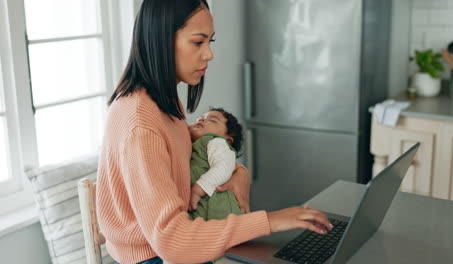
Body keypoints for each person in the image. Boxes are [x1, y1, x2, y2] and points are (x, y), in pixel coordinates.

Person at [96, 1, 333, 264]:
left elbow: (181, 154)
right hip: (154, 257)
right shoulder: (140, 121)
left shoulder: (162, 102)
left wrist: (239, 173)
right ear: (161, 40)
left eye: (210, 41)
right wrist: (271, 220)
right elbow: (174, 242)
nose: (209, 54)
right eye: (198, 42)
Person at [187, 107, 244, 221]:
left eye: (212, 120)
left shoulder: (216, 141)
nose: (201, 120)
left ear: (228, 139)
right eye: (200, 118)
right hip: (202, 209)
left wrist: (198, 189)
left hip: (220, 210)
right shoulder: (193, 144)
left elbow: (224, 167)